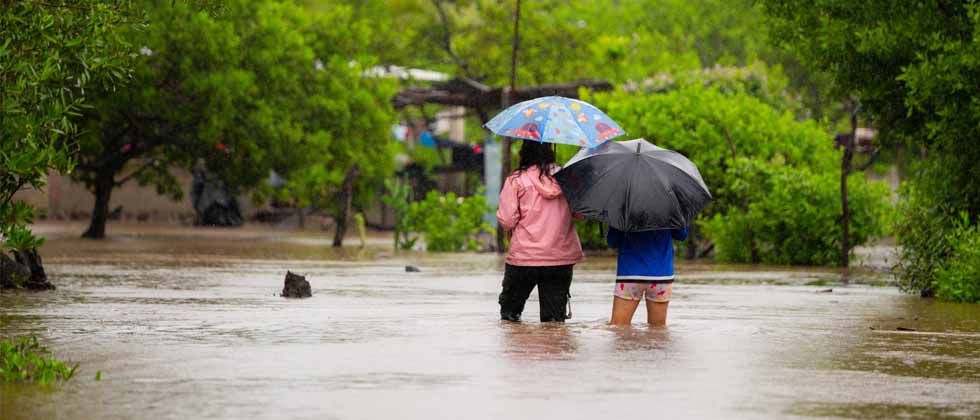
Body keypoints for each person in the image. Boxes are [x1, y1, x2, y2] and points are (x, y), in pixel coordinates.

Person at [496, 140, 584, 323]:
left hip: (523, 258)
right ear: (550, 152)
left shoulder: (516, 180)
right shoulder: (567, 178)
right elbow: (580, 214)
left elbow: (507, 221)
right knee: (554, 323)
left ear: (524, 153)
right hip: (560, 258)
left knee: (510, 317)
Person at [607, 227, 688, 327]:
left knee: (618, 327)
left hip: (630, 274)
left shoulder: (623, 212)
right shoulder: (670, 212)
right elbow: (682, 235)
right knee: (658, 331)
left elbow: (612, 242)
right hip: (661, 276)